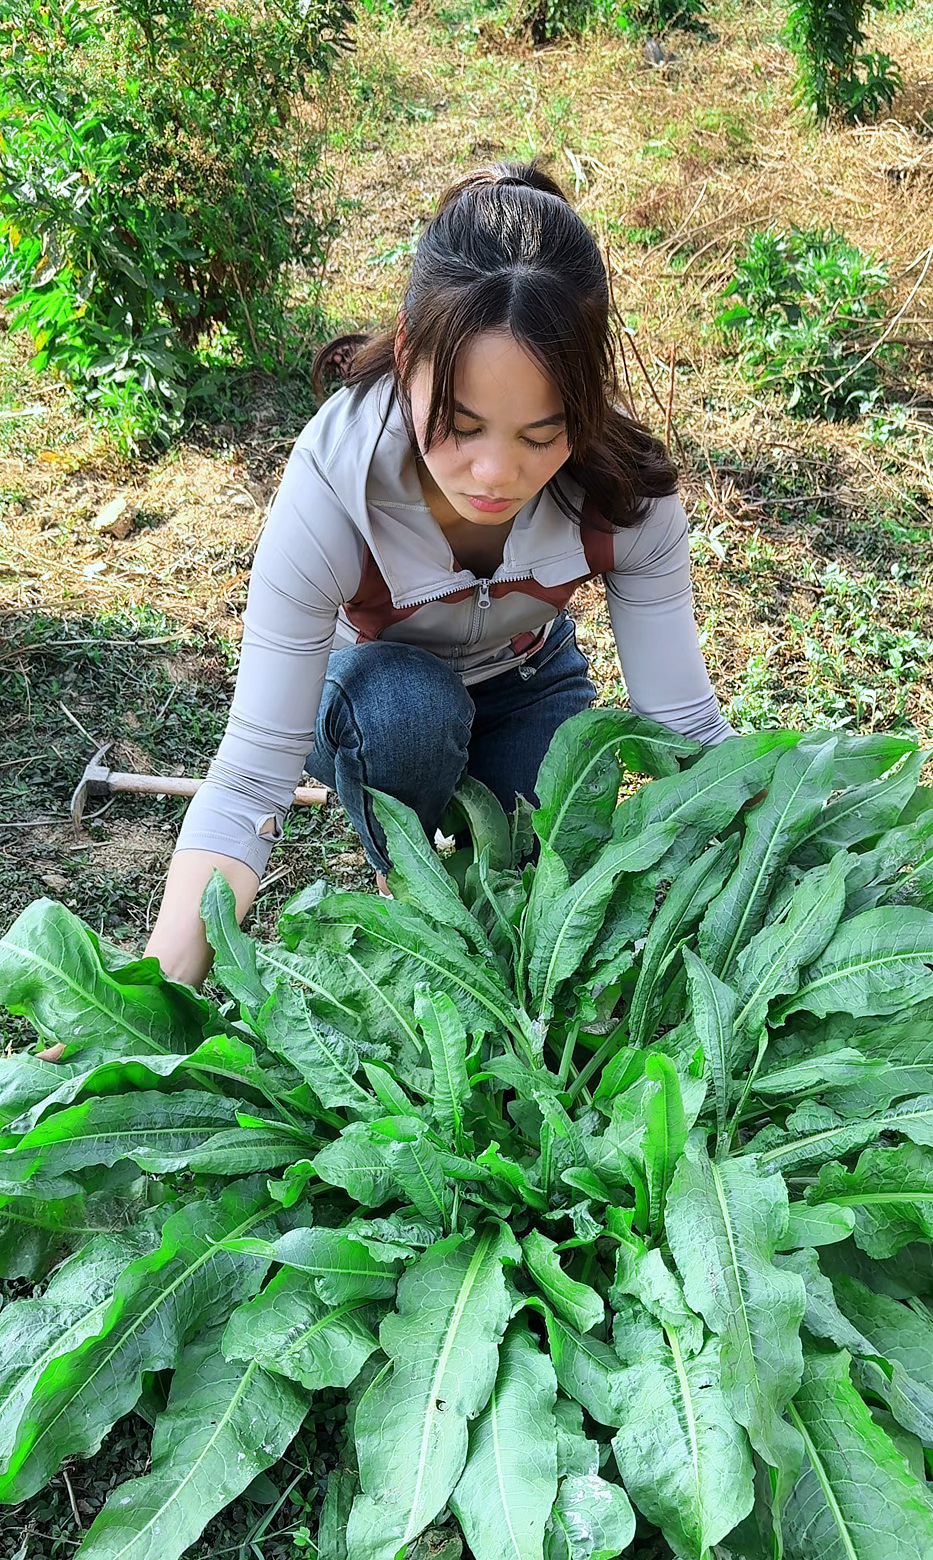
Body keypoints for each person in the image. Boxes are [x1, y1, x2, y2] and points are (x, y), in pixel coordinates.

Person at [143, 158, 735, 991]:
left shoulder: (624, 490)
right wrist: (148, 1003)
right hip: (372, 696)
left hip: (527, 681)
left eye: (541, 435)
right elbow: (247, 783)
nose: (494, 473)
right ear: (407, 352)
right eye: (461, 425)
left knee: (539, 895)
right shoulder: (337, 482)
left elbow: (687, 730)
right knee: (409, 715)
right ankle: (406, 878)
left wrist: (808, 843)